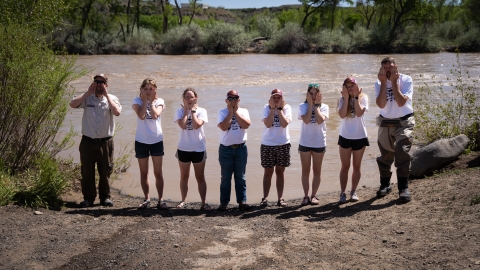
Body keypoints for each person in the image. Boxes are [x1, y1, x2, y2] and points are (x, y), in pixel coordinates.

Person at [70, 74, 122, 208]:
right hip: (88, 141)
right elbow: (72, 104)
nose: (99, 85)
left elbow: (117, 112)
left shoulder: (112, 98)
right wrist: (88, 92)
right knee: (87, 171)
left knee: (105, 171)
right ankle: (88, 198)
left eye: (102, 82)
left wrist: (107, 95)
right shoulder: (87, 98)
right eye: (97, 82)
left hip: (105, 142)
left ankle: (105, 198)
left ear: (106, 85)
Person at [375, 57, 415, 202]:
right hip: (385, 122)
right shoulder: (379, 82)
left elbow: (401, 102)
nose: (388, 70)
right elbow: (380, 104)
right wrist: (385, 82)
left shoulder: (406, 79)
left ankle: (403, 188)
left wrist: (394, 82)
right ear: (381, 69)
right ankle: (385, 185)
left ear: (396, 67)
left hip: (404, 121)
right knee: (385, 155)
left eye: (391, 67)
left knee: (402, 151)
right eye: (385, 68)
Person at [132, 78, 168, 210]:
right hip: (141, 140)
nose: (148, 91)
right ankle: (147, 199)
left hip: (156, 140)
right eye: (146, 88)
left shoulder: (160, 101)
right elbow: (141, 116)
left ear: (155, 90)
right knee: (144, 172)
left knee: (158, 172)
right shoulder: (137, 101)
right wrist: (145, 100)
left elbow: (154, 116)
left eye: (151, 89)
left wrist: (151, 102)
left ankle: (161, 199)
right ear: (141, 89)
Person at [174, 88, 211, 211]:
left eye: (191, 97)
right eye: (186, 97)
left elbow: (196, 126)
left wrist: (193, 111)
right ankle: (183, 200)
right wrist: (186, 111)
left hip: (198, 148)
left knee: (200, 177)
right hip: (183, 148)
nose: (189, 100)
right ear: (183, 99)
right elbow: (183, 125)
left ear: (196, 98)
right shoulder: (179, 111)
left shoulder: (202, 111)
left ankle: (204, 202)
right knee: (184, 176)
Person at [217, 90, 251, 211]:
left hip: (241, 148)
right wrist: (230, 112)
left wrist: (235, 112)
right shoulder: (222, 112)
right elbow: (224, 127)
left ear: (239, 100)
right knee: (225, 177)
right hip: (225, 149)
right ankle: (224, 202)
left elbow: (246, 125)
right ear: (226, 101)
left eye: (235, 98)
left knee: (240, 177)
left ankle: (242, 201)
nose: (233, 101)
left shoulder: (244, 111)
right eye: (230, 99)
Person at [337, 76, 369, 203]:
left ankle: (353, 191)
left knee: (357, 166)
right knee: (345, 166)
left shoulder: (363, 97)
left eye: (352, 86)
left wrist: (356, 96)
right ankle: (342, 193)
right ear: (344, 88)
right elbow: (342, 115)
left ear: (356, 86)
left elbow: (359, 113)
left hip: (360, 136)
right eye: (347, 86)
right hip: (345, 136)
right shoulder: (341, 99)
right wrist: (345, 98)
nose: (350, 88)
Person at [260, 89, 292, 207]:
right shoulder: (266, 107)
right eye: (274, 97)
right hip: (268, 144)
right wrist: (273, 109)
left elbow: (284, 124)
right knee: (268, 172)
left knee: (280, 172)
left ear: (282, 98)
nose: (276, 99)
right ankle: (265, 198)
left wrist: (279, 109)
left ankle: (280, 198)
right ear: (270, 98)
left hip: (283, 143)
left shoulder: (287, 108)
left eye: (279, 97)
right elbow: (268, 124)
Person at [297, 84, 329, 206]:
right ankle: (305, 196)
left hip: (319, 141)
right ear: (307, 94)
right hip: (305, 142)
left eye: (316, 93)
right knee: (305, 170)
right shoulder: (302, 106)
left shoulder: (324, 106)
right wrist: (310, 104)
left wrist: (316, 106)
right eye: (311, 93)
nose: (313, 95)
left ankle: (314, 195)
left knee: (317, 170)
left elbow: (320, 120)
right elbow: (306, 119)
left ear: (320, 94)